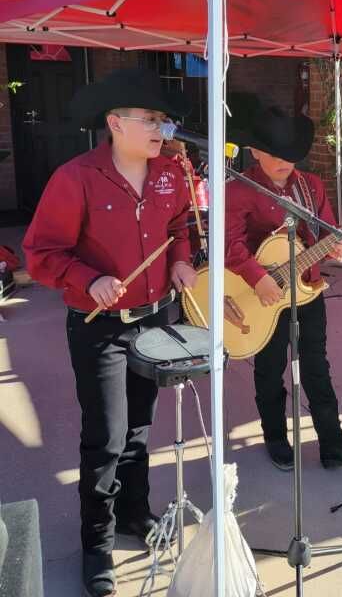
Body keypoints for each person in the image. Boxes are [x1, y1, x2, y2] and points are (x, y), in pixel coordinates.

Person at [23, 69, 197, 597]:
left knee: (141, 429)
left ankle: (134, 514)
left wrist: (183, 262)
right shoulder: (75, 177)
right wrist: (89, 278)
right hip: (100, 328)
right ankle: (96, 544)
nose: (160, 130)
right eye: (150, 120)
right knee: (106, 436)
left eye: (164, 122)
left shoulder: (170, 172)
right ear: (115, 123)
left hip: (154, 318)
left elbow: (180, 227)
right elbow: (41, 253)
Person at [225, 101, 342, 470]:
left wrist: (334, 245)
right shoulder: (239, 190)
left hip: (307, 289)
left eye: (290, 154)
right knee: (270, 368)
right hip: (263, 296)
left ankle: (333, 445)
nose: (284, 161)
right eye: (275, 153)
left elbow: (326, 231)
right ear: (255, 151)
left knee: (316, 367)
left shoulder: (311, 185)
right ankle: (275, 437)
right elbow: (230, 245)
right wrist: (258, 279)